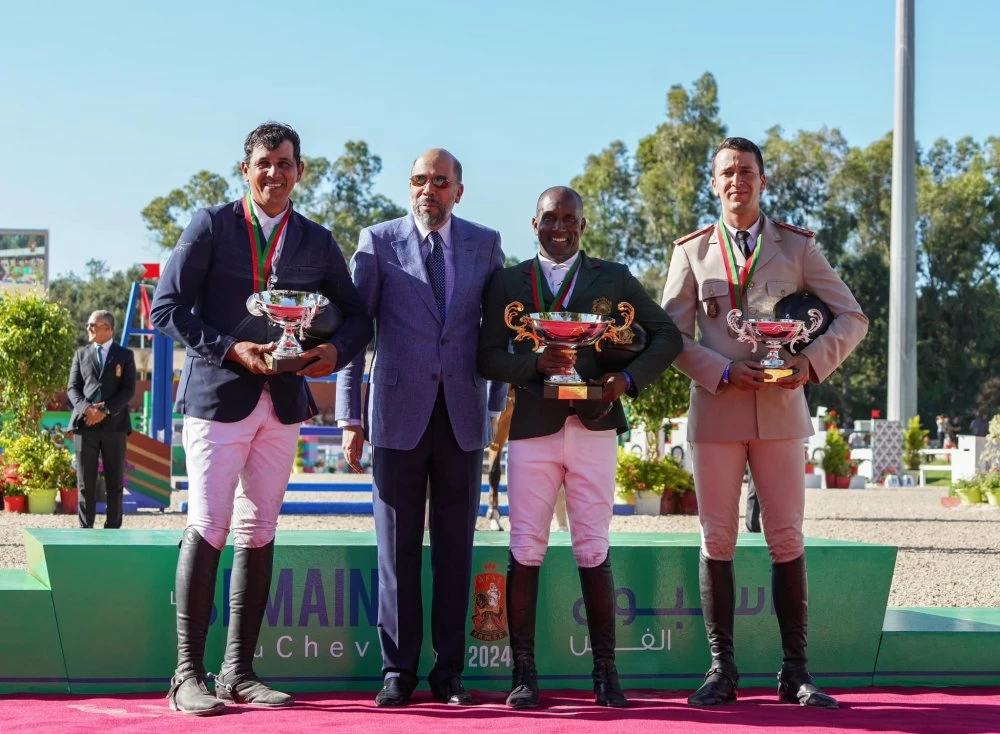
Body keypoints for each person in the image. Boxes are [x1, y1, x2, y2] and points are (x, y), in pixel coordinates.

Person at [150, 122, 373, 716]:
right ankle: (185, 675)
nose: (275, 173)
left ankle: (238, 673)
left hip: (284, 403)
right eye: (264, 163)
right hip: (219, 397)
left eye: (286, 163)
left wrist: (332, 354)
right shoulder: (212, 225)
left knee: (261, 528)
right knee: (210, 522)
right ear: (245, 170)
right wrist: (231, 349)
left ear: (301, 171)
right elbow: (165, 308)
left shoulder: (318, 241)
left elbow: (357, 318)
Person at [661, 137, 868, 710]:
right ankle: (721, 670)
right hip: (718, 411)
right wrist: (722, 370)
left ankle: (795, 673)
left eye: (747, 172)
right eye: (727, 172)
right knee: (717, 538)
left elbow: (853, 315)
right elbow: (669, 335)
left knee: (785, 539)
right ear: (713, 182)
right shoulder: (691, 253)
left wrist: (809, 360)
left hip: (782, 412)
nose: (737, 181)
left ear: (763, 181)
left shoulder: (798, 248)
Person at [478, 186, 682, 709]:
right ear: (534, 222)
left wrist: (628, 381)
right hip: (533, 427)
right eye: (550, 218)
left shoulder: (610, 278)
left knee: (592, 546)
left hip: (593, 425)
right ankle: (524, 674)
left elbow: (667, 336)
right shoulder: (507, 281)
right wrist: (534, 366)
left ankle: (605, 674)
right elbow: (485, 357)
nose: (559, 227)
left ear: (583, 225)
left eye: (569, 219)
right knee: (526, 547)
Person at [335, 148, 507, 707]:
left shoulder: (485, 244)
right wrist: (349, 416)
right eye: (418, 181)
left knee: (456, 550)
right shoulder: (377, 242)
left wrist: (494, 407)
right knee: (397, 550)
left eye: (439, 181)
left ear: (459, 189)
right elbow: (355, 332)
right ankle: (397, 672)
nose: (427, 190)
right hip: (394, 418)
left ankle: (449, 673)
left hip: (461, 417)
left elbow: (498, 334)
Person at [66, 310, 136, 529]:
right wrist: (87, 409)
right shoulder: (81, 354)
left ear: (108, 328)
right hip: (84, 425)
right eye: (89, 325)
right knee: (85, 482)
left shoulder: (125, 355)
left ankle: (113, 528)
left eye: (92, 325)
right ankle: (85, 528)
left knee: (114, 482)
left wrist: (104, 410)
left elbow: (128, 391)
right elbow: (72, 388)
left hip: (114, 426)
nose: (88, 329)